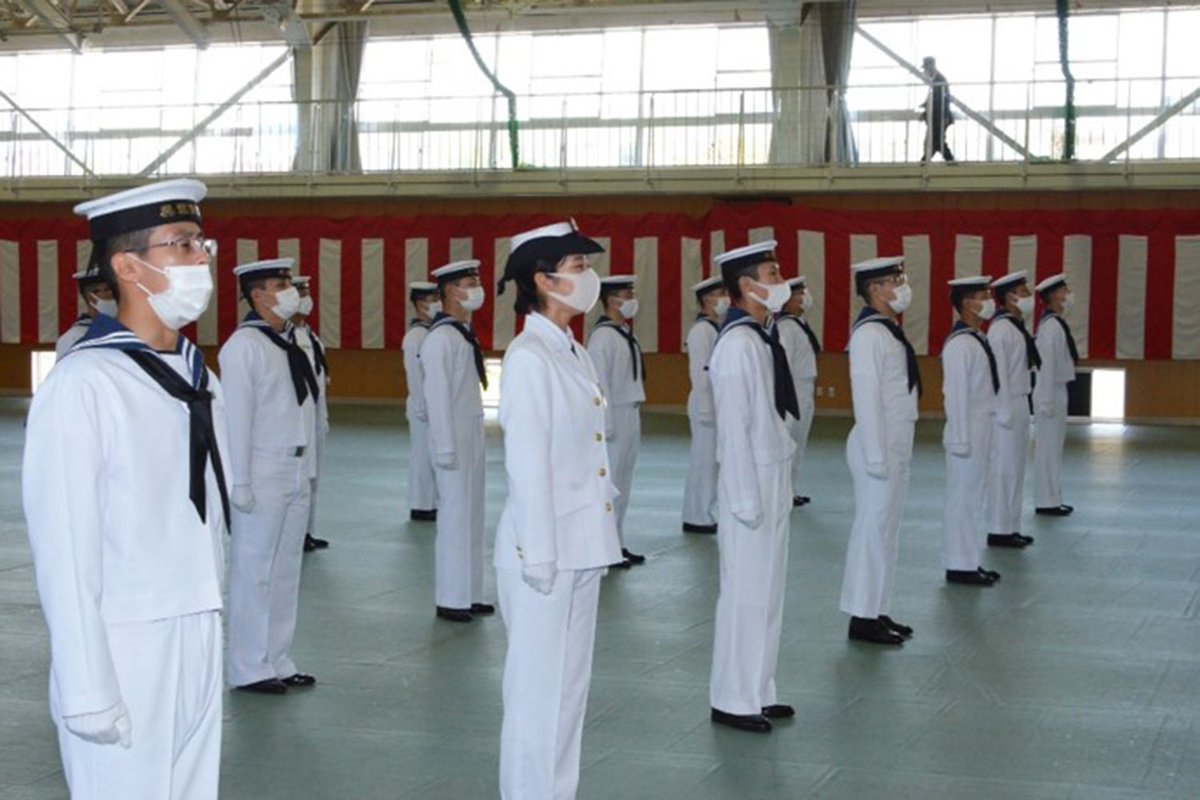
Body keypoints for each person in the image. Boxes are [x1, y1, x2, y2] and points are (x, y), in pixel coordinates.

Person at [23, 178, 227, 799]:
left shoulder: (198, 376)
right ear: (128, 266)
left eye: (201, 244)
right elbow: (65, 547)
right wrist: (86, 685)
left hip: (198, 619)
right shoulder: (85, 383)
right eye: (181, 244)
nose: (200, 259)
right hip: (126, 638)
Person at [492, 221, 622, 799]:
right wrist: (540, 556)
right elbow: (526, 464)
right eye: (577, 267)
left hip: (581, 543)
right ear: (543, 280)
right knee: (535, 699)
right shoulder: (529, 357)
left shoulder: (570, 348)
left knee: (568, 694)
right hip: (542, 552)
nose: (589, 277)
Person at [707, 240, 798, 734]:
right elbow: (734, 429)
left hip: (771, 473)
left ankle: (760, 687)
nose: (782, 279)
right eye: (772, 272)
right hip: (750, 483)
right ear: (746, 285)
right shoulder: (737, 345)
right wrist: (743, 499)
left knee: (768, 590)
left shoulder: (762, 337)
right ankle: (732, 698)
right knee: (745, 592)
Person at [220, 258, 319, 694]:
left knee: (286, 568)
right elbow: (237, 419)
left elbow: (305, 408)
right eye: (281, 285)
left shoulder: (290, 342)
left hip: (295, 464)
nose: (290, 290)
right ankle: (248, 666)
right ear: (258, 295)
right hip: (261, 467)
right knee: (254, 567)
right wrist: (239, 480)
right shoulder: (244, 346)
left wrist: (308, 466)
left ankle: (278, 657)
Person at [839, 256, 920, 646]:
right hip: (877, 444)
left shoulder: (888, 330)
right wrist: (875, 455)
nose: (902, 286)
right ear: (874, 289)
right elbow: (866, 397)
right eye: (894, 280)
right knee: (872, 530)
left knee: (887, 530)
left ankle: (877, 607)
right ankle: (861, 617)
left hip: (894, 441)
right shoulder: (869, 334)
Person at [421, 259, 493, 623]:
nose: (477, 289)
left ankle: (471, 592)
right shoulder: (440, 338)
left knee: (473, 514)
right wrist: (445, 446)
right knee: (454, 517)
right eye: (470, 283)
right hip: (452, 436)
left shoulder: (462, 333)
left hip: (471, 431)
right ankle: (451, 597)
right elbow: (436, 396)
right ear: (450, 291)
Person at [941, 277, 1002, 587]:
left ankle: (969, 559)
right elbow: (955, 395)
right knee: (963, 498)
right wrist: (961, 438)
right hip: (966, 430)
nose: (989, 301)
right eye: (982, 296)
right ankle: (959, 565)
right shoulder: (960, 345)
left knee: (973, 496)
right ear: (967, 303)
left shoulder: (977, 339)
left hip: (980, 427)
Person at [586, 275, 647, 567]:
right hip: (614, 415)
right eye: (627, 294)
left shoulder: (623, 333)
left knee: (623, 481)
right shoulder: (603, 337)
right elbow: (599, 383)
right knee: (610, 484)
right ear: (612, 300)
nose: (632, 300)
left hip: (630, 411)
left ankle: (616, 542)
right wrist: (605, 423)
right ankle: (604, 547)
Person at [984, 272, 1039, 550]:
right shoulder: (1001, 329)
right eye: (1023, 291)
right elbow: (999, 374)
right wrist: (1003, 409)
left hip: (1020, 399)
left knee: (1016, 467)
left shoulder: (1016, 326)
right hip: (1007, 402)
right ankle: (998, 528)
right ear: (1009, 297)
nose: (1029, 296)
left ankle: (1012, 525)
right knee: (1004, 469)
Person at [681, 276, 727, 534]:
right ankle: (696, 515)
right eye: (720, 294)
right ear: (707, 299)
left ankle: (703, 511)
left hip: (715, 402)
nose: (725, 299)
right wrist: (707, 408)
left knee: (712, 462)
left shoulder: (714, 328)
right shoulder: (701, 331)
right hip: (704, 403)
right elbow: (701, 373)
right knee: (704, 462)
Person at [1032, 273, 1077, 517]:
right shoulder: (1050, 327)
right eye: (1064, 291)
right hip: (1049, 390)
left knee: (1054, 448)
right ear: (1054, 295)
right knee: (1048, 450)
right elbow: (1046, 365)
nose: (1068, 295)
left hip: (1057, 389)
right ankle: (1045, 500)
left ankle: (1053, 497)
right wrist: (1047, 400)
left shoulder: (1056, 323)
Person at [291, 275, 330, 552]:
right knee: (301, 476)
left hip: (315, 414)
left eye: (307, 292)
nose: (307, 299)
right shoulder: (287, 338)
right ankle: (297, 532)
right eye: (300, 293)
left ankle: (308, 530)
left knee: (313, 477)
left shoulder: (311, 336)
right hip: (298, 418)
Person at [775, 276, 821, 508]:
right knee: (789, 442)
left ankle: (790, 489)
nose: (805, 297)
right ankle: (782, 491)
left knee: (798, 443)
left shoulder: (798, 324)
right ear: (787, 299)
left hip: (804, 390)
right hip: (794, 390)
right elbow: (785, 365)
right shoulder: (786, 327)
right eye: (799, 293)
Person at [404, 281, 440, 523]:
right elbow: (414, 374)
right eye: (432, 299)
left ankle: (430, 502)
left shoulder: (432, 332)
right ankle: (420, 505)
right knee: (422, 456)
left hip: (432, 403)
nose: (437, 303)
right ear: (419, 304)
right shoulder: (416, 336)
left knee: (432, 455)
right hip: (422, 404)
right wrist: (420, 405)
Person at [55, 269, 117, 358]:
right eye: (107, 289)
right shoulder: (74, 337)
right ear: (90, 296)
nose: (111, 294)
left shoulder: (123, 330)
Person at [919, 56, 955, 164]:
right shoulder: (937, 79)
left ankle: (925, 162)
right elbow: (938, 99)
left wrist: (944, 116)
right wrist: (925, 107)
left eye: (926, 68)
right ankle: (926, 162)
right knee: (937, 141)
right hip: (939, 117)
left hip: (939, 117)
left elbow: (941, 100)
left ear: (931, 66)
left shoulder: (938, 81)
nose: (925, 71)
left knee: (937, 141)